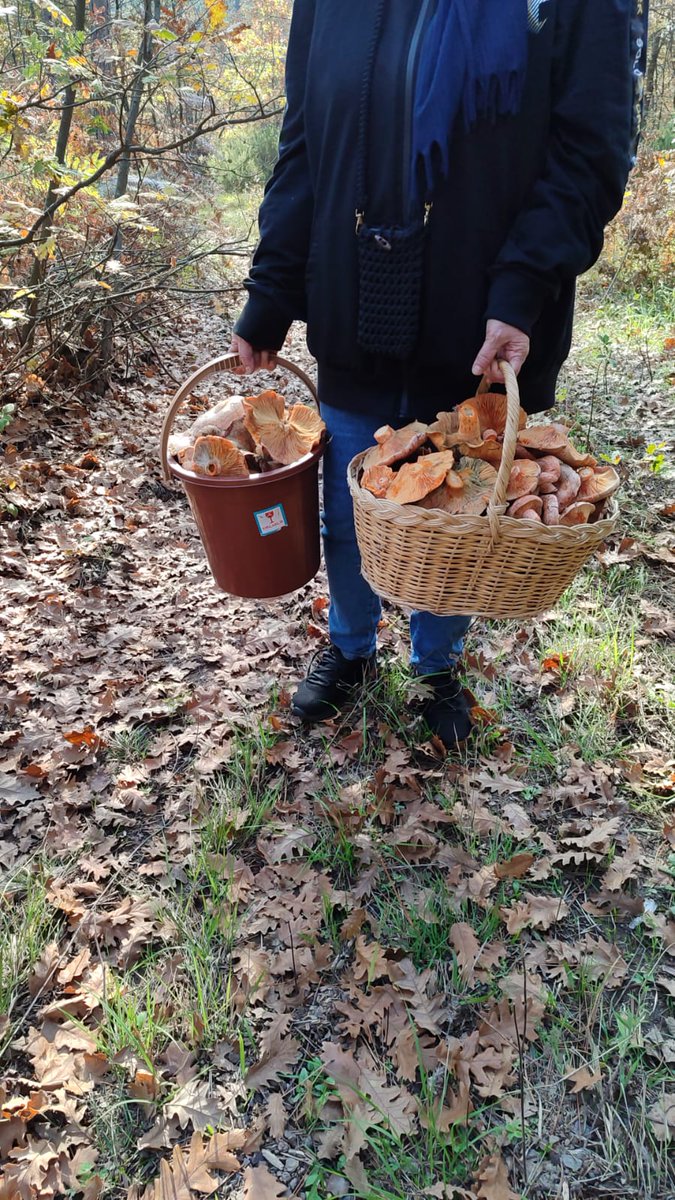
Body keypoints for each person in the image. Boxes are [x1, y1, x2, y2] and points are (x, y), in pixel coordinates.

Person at [231, 0, 648, 746]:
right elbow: (304, 142)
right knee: (351, 505)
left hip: (481, 306)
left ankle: (435, 665)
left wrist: (523, 286)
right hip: (355, 289)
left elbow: (591, 149)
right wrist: (271, 291)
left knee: (462, 508)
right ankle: (351, 650)